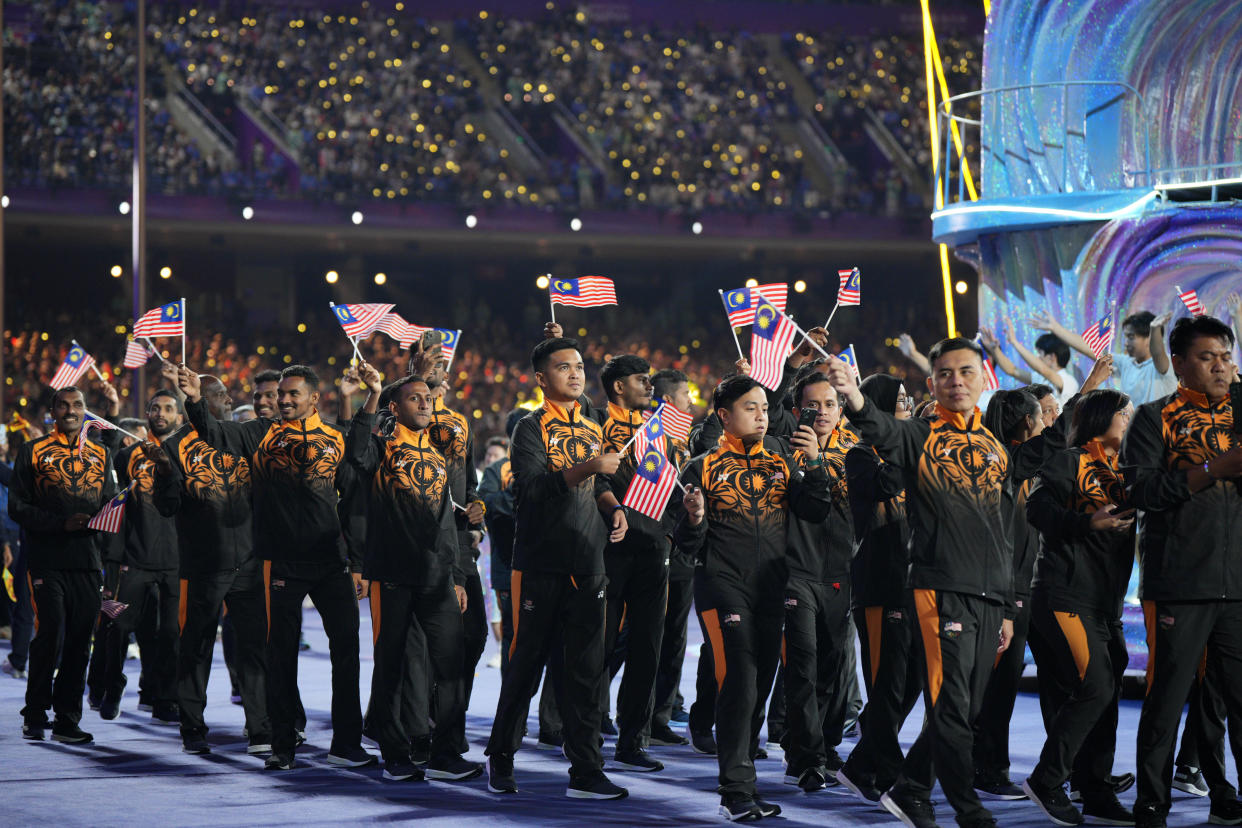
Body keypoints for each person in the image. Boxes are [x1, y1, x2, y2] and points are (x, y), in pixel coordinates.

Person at [824, 338, 1015, 828]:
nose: (956, 381)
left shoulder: (996, 448)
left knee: (967, 707)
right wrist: (853, 394)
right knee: (948, 704)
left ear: (984, 379)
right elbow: (880, 428)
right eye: (946, 373)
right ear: (932, 383)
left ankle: (911, 788)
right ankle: (967, 810)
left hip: (990, 593)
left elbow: (1003, 529)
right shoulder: (919, 436)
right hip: (938, 587)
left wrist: (1010, 605)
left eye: (966, 372)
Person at [177, 363, 374, 772]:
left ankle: (347, 744)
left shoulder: (335, 437)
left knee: (348, 653)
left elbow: (355, 496)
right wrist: (195, 399)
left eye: (291, 395)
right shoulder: (258, 433)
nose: (282, 401)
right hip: (279, 562)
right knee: (280, 656)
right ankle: (282, 744)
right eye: (280, 394)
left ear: (312, 399)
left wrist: (357, 561)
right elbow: (213, 434)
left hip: (330, 561)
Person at [675, 374, 832, 821]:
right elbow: (686, 545)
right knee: (740, 682)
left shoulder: (783, 456)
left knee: (759, 685)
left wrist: (815, 464)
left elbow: (814, 510)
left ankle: (745, 784)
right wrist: (693, 518)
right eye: (750, 408)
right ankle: (735, 793)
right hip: (722, 587)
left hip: (772, 588)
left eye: (764, 407)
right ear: (724, 415)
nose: (762, 415)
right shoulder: (700, 467)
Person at [484, 335, 629, 800]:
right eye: (563, 366)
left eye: (580, 366)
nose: (575, 373)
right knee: (524, 668)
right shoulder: (529, 427)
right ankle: (501, 758)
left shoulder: (591, 424)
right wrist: (588, 468)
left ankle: (586, 770)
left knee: (586, 674)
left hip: (589, 564)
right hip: (540, 565)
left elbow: (601, 480)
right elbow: (530, 488)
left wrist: (613, 508)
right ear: (541, 378)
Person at [1123, 315, 1242, 828]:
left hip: (1237, 585)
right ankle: (1152, 802)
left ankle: (1224, 796)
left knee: (1231, 701)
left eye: (1226, 356)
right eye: (1207, 357)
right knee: (1168, 700)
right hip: (1179, 582)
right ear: (1178, 362)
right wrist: (1214, 470)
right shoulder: (1154, 418)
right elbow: (1141, 492)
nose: (1220, 366)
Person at [346, 363, 482, 783]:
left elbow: (445, 521)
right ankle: (395, 754)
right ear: (394, 406)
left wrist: (457, 576)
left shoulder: (437, 454)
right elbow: (356, 451)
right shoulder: (380, 448)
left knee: (452, 665)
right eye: (414, 398)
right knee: (392, 667)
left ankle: (445, 753)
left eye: (428, 398)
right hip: (393, 574)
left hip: (438, 577)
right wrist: (369, 395)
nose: (425, 404)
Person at [1022, 390, 1138, 826]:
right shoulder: (1068, 460)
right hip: (1064, 595)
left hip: (1105, 603)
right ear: (1100, 418)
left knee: (1107, 695)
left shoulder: (1126, 469)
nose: (1128, 420)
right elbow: (1037, 509)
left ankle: (1095, 789)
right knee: (1096, 686)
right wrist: (1088, 521)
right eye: (1122, 414)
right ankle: (1048, 780)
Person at [154, 375, 271, 755]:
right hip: (203, 564)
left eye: (226, 394)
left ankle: (260, 729)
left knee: (254, 649)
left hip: (249, 561)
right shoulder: (174, 447)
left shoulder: (243, 437)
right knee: (196, 647)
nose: (228, 399)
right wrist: (164, 477)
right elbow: (166, 507)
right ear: (199, 400)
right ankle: (192, 729)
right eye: (220, 395)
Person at [9, 385, 117, 743]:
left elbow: (108, 504)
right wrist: (60, 524)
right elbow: (17, 507)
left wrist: (104, 528)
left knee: (79, 640)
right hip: (45, 560)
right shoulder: (32, 451)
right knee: (51, 631)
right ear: (53, 412)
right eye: (64, 405)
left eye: (78, 405)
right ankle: (36, 711)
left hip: (87, 562)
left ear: (85, 411)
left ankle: (67, 719)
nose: (71, 411)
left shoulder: (101, 454)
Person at [836, 374, 920, 804]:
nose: (908, 404)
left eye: (909, 398)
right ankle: (889, 771)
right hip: (878, 581)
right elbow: (887, 486)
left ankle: (861, 764)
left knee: (913, 681)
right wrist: (910, 450)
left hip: (912, 583)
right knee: (885, 683)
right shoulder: (859, 455)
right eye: (901, 400)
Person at [595, 354, 680, 772]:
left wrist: (671, 528)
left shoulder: (658, 429)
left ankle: (633, 741)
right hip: (610, 551)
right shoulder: (596, 423)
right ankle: (589, 735)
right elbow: (596, 481)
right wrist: (614, 511)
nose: (650, 387)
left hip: (652, 550)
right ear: (618, 388)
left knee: (647, 648)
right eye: (641, 381)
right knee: (601, 647)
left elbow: (671, 480)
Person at [779, 372, 856, 793]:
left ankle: (821, 744)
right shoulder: (782, 454)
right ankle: (805, 759)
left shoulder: (856, 453)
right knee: (803, 666)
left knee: (832, 667)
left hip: (842, 574)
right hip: (797, 572)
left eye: (830, 404)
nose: (823, 412)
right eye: (813, 405)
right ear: (797, 412)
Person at [101, 390, 183, 723]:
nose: (161, 413)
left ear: (178, 416)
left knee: (170, 634)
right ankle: (113, 683)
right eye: (155, 408)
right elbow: (113, 503)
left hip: (177, 562)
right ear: (146, 413)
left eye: (168, 409)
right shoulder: (127, 456)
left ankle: (164, 698)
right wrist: (113, 559)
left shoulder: (187, 455)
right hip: (132, 560)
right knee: (116, 626)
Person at [647, 368, 696, 747]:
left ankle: (659, 716)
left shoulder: (683, 441)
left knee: (674, 640)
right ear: (667, 401)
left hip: (682, 554)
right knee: (638, 638)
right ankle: (594, 712)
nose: (690, 403)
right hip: (650, 551)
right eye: (685, 396)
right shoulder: (649, 438)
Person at [1030, 309, 1176, 405]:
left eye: (1131, 337)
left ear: (1148, 338)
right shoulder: (1126, 363)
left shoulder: (1164, 363)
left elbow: (1157, 353)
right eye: (1125, 337)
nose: (1126, 343)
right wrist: (1055, 328)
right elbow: (1091, 349)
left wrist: (1155, 328)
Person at [980, 322, 1080, 406]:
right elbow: (1012, 370)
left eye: (1040, 354)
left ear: (1052, 357)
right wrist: (994, 349)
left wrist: (1014, 342)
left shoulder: (1069, 381)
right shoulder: (1040, 378)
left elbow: (1044, 370)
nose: (1037, 358)